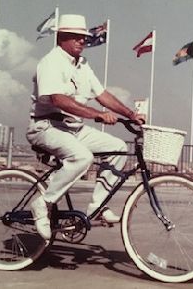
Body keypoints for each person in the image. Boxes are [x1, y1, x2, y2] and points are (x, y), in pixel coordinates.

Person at [26, 14, 145, 240]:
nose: (82, 41)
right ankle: (43, 203)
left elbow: (101, 94)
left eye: (84, 37)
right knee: (82, 157)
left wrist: (131, 114)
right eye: (76, 37)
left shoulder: (82, 65)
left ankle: (96, 207)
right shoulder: (50, 63)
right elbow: (57, 99)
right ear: (62, 37)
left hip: (74, 129)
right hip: (46, 127)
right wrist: (97, 116)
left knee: (119, 148)